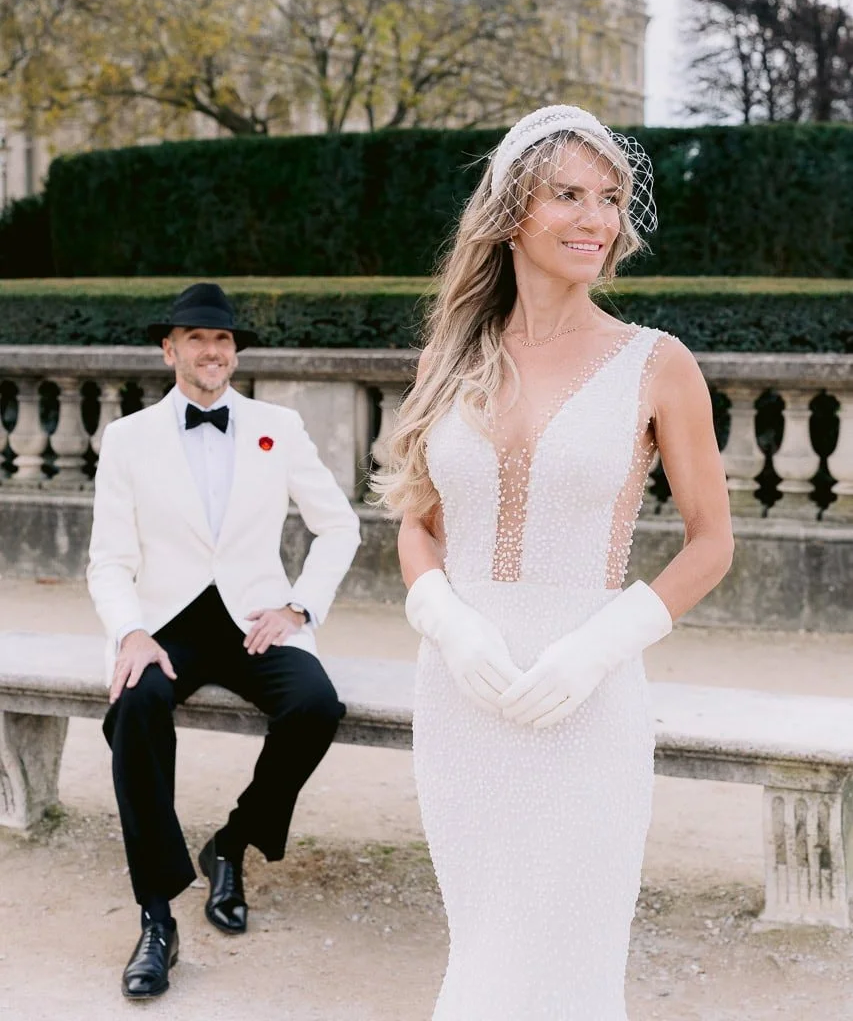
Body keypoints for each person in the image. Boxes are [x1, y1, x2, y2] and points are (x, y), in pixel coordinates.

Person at [374, 106, 734, 1020]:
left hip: (588, 699)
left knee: (567, 967)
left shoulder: (657, 363)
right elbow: (416, 523)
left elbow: (711, 541)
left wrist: (598, 645)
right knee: (482, 955)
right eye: (566, 195)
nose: (594, 218)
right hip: (462, 701)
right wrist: (446, 624)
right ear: (508, 214)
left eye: (608, 198)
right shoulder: (450, 357)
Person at [87, 282, 361, 1000]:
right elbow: (109, 559)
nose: (213, 351)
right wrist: (131, 632)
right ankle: (155, 919)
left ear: (233, 352)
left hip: (253, 618)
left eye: (223, 340)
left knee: (315, 706)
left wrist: (300, 607)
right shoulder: (128, 438)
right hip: (165, 624)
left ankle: (230, 845)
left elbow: (340, 525)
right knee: (136, 707)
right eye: (197, 339)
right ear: (169, 348)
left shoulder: (279, 425)